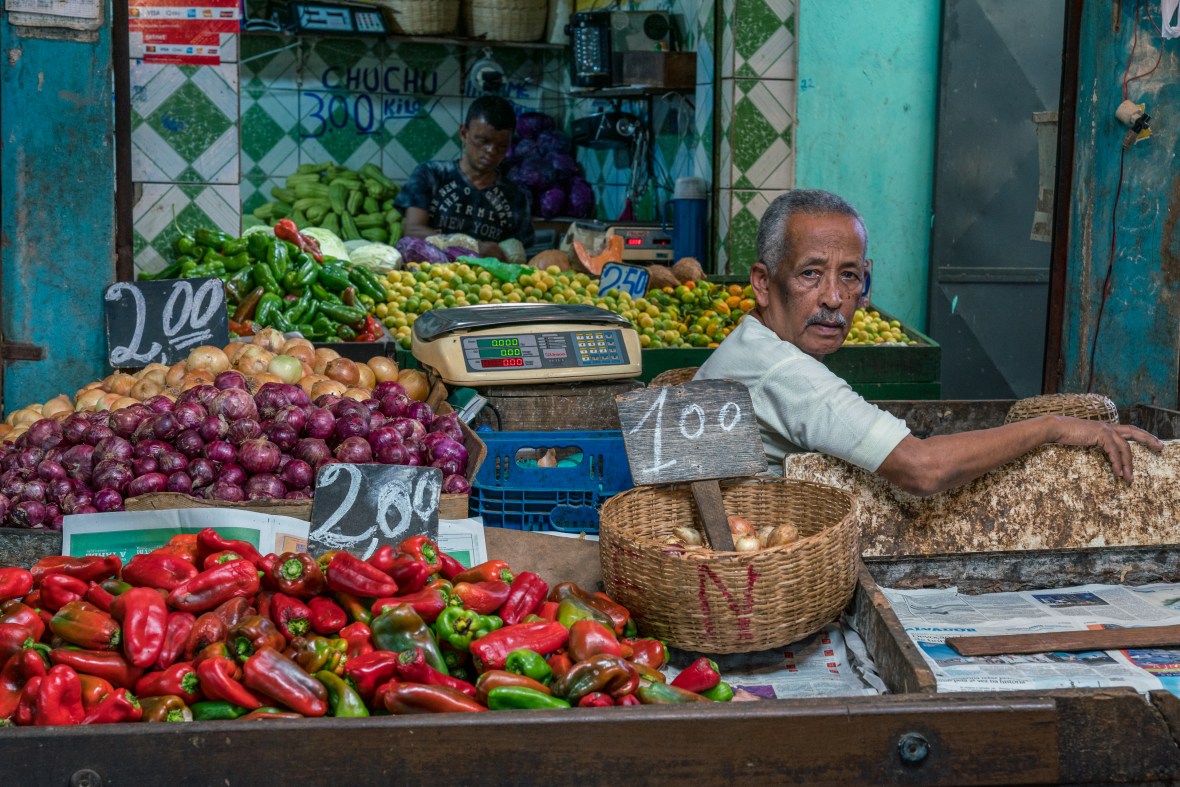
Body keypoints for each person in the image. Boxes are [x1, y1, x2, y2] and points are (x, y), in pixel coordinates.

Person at [695, 189, 1162, 497]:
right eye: (811, 274)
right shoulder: (784, 372)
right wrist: (1051, 427)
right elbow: (922, 469)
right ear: (762, 282)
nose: (835, 298)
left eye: (850, 276)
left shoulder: (756, 344)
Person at [395, 96, 535, 262]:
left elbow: (521, 254)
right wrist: (474, 246)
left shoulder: (515, 197)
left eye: (501, 146)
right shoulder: (431, 174)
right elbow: (412, 231)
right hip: (430, 278)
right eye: (483, 141)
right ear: (463, 133)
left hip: (487, 285)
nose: (491, 151)